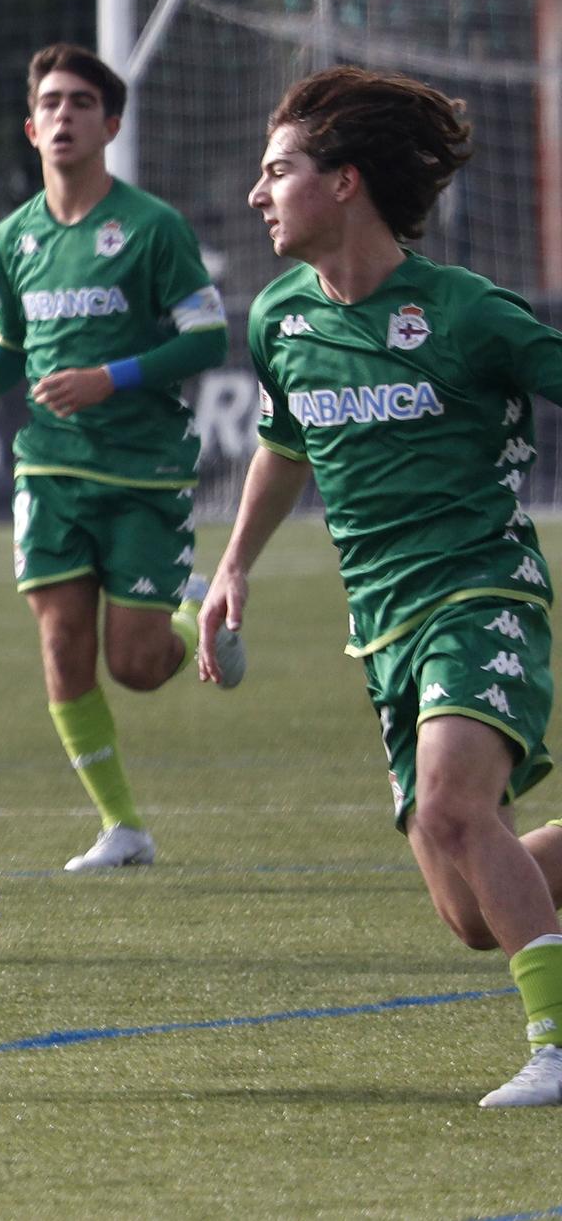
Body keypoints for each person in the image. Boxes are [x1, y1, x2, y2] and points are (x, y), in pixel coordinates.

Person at [202, 66, 562, 1107]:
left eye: (276, 171)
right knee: (464, 907)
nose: (255, 194)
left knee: (456, 805)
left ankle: (553, 1042)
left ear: (344, 182)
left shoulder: (468, 315)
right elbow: (282, 442)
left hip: (478, 593)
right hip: (381, 629)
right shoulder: (278, 319)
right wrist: (231, 567)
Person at [0, 43, 244, 871]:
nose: (63, 115)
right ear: (31, 128)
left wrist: (112, 377)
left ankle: (194, 608)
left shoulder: (152, 227)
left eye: (80, 103)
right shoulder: (12, 238)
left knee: (136, 667)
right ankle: (122, 826)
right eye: (51, 104)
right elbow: (12, 346)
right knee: (62, 643)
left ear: (110, 123)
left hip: (143, 470)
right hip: (51, 468)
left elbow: (208, 336)